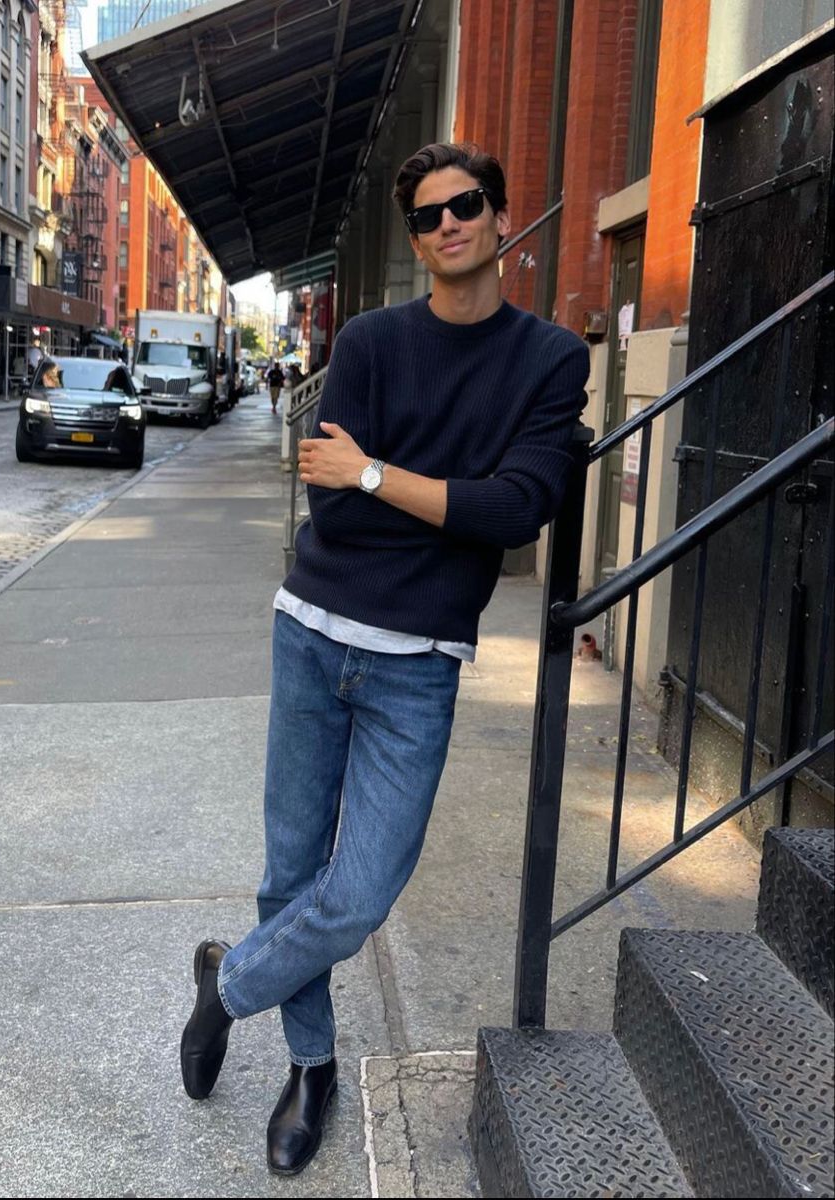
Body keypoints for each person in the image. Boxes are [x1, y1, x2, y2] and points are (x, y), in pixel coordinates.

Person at [179, 143, 589, 1174]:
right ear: (414, 236)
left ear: (500, 216)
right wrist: (425, 498)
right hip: (312, 634)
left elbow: (516, 512)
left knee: (357, 897)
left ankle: (227, 984)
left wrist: (373, 473)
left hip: (418, 664)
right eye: (427, 216)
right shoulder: (368, 341)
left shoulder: (549, 360)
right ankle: (311, 1068)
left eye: (466, 205)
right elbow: (336, 509)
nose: (447, 224)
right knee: (290, 875)